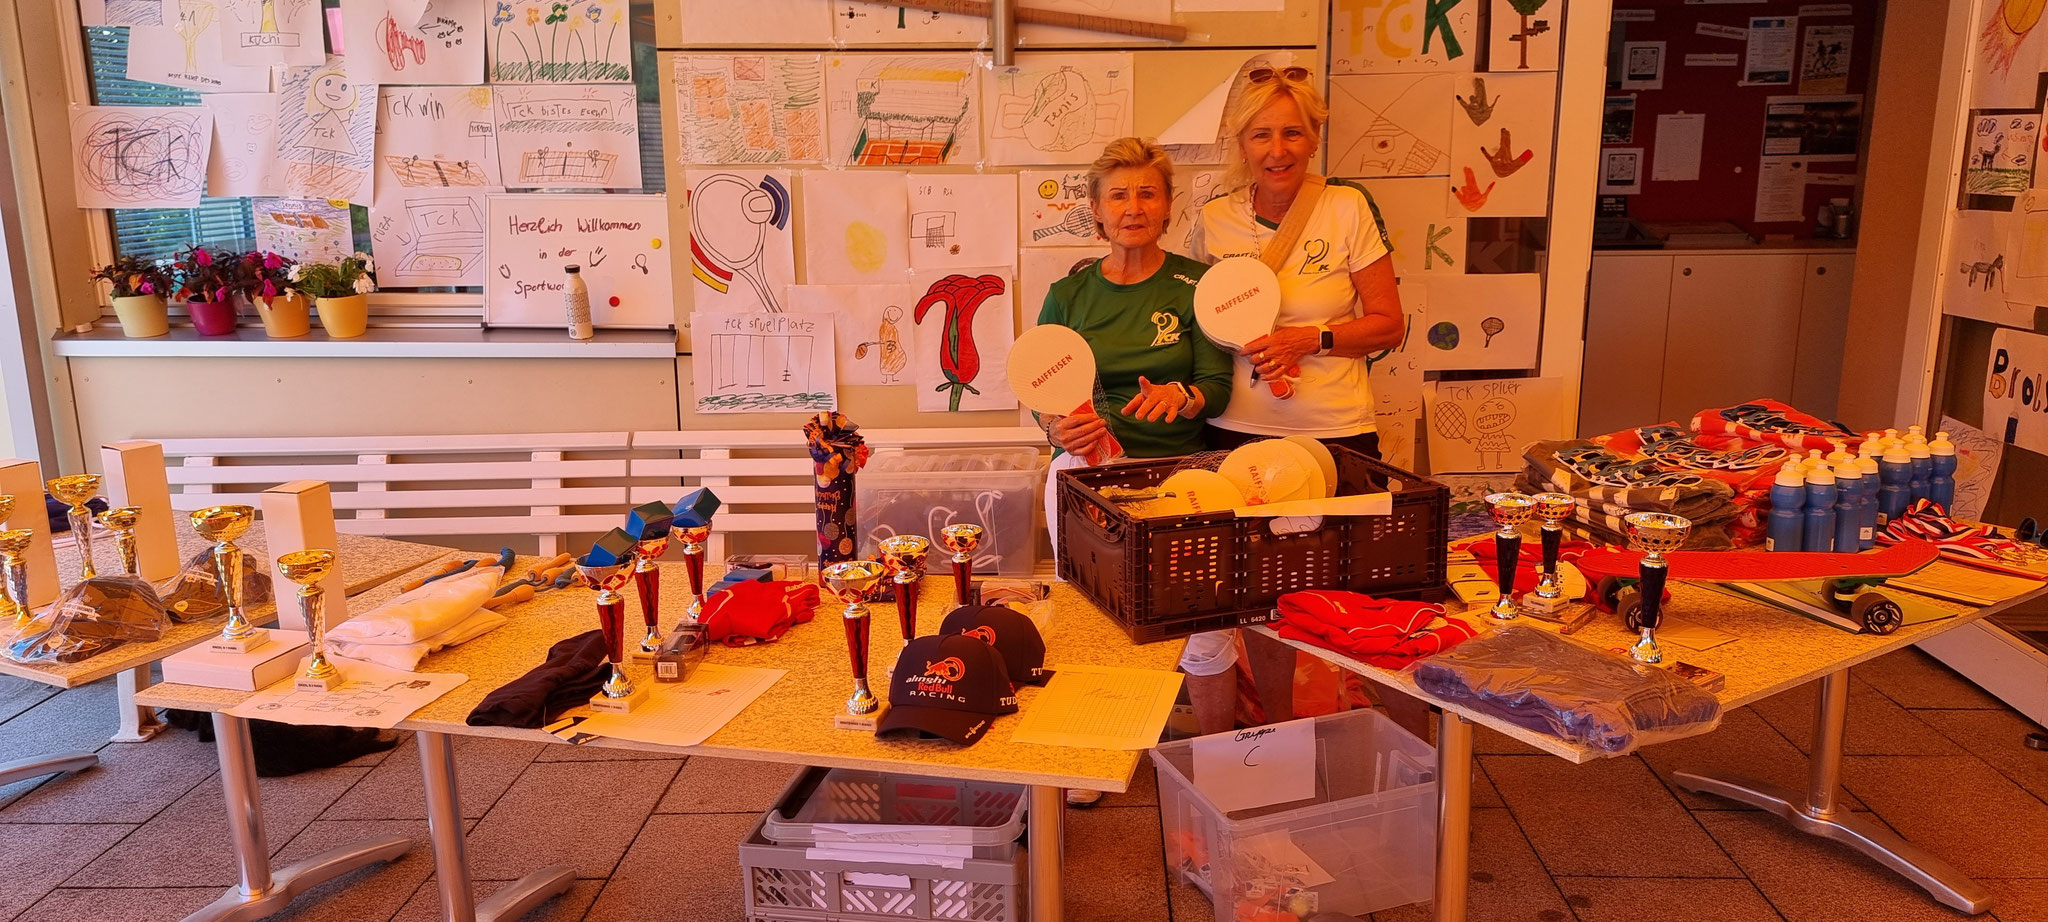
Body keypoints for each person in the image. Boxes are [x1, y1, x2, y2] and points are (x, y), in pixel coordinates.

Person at [1188, 65, 1427, 738]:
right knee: (1260, 606)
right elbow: (1201, 330)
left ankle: (1420, 754)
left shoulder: (1346, 208)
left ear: (1315, 136)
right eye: (1261, 134)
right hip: (1237, 437)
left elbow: (1388, 324)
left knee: (1371, 599)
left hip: (1335, 436)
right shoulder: (1213, 220)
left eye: (1293, 133)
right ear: (1240, 142)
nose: (1278, 150)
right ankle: (1277, 736)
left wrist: (1310, 338)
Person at [1037, 138, 1234, 804]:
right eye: (1118, 195)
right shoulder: (1068, 294)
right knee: (1093, 618)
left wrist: (1187, 395)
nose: (1133, 207)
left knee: (1206, 622)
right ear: (1096, 210)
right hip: (1087, 473)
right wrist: (1055, 428)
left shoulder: (1197, 285)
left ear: (1168, 206)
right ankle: (1094, 756)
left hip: (1182, 474)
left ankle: (1219, 760)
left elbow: (1217, 386)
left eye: (1147, 193)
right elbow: (1039, 392)